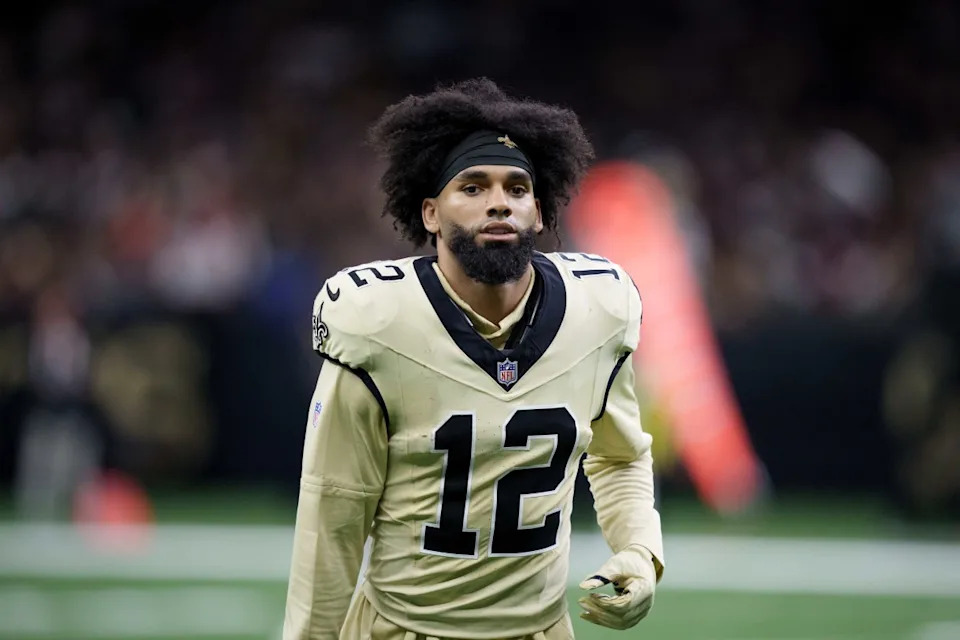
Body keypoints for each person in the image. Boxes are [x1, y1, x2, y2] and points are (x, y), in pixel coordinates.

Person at [283, 78, 665, 640]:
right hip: (406, 629)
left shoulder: (597, 311)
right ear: (431, 213)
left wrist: (639, 549)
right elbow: (334, 515)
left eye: (516, 188)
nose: (498, 202)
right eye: (473, 186)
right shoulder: (378, 323)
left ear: (538, 211)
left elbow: (619, 457)